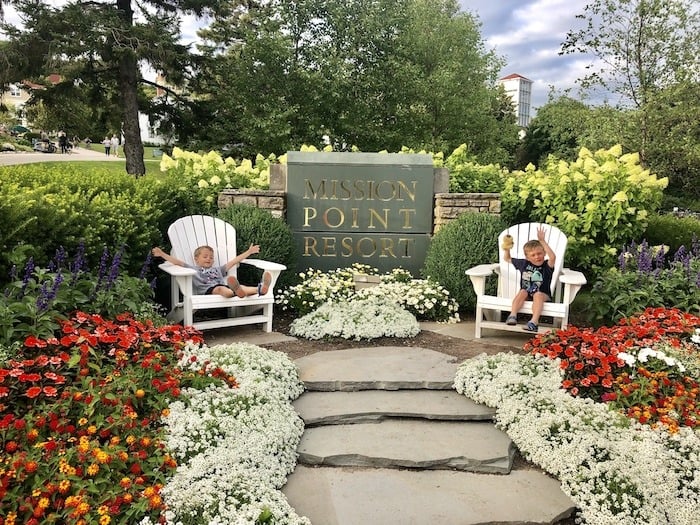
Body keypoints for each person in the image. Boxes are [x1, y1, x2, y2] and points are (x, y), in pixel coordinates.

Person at [151, 244, 272, 298]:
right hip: (208, 290)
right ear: (196, 259)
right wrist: (161, 254)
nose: (209, 259)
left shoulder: (218, 269)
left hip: (225, 286)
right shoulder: (193, 269)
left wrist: (249, 252)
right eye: (205, 256)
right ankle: (236, 291)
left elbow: (234, 261)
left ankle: (260, 289)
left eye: (211, 257)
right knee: (222, 289)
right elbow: (177, 262)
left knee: (239, 287)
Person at [502, 225, 556, 332]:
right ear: (527, 257)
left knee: (538, 294)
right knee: (522, 291)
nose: (537, 257)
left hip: (543, 294)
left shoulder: (546, 266)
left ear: (544, 253)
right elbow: (507, 258)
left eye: (539, 253)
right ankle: (513, 315)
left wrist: (542, 241)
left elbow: (553, 257)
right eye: (533, 255)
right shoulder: (523, 264)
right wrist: (507, 248)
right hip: (527, 293)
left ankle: (534, 322)